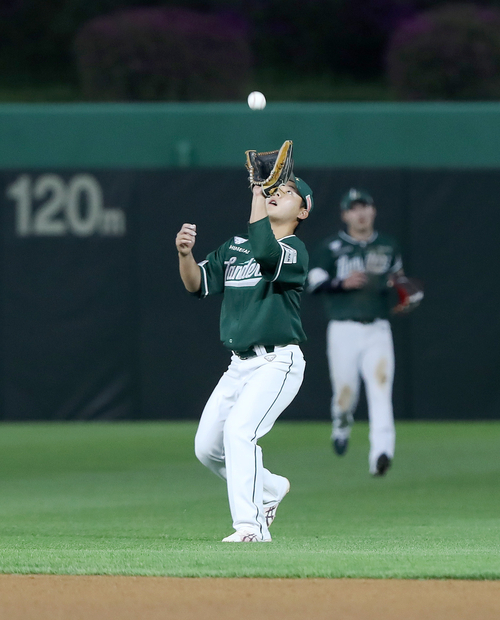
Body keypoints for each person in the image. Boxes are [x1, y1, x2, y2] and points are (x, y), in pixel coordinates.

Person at [175, 174, 314, 542]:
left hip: (277, 362)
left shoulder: (295, 250)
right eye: (273, 189)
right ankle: (270, 488)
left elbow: (267, 253)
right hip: (239, 365)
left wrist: (256, 193)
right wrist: (185, 255)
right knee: (207, 448)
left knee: (239, 432)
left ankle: (251, 527)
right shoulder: (234, 247)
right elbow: (197, 285)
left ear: (303, 210)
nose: (277, 194)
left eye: (287, 193)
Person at [307, 188, 406, 477]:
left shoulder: (387, 245)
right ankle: (341, 423)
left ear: (373, 210)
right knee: (345, 394)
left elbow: (398, 281)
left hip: (377, 328)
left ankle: (382, 453)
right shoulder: (332, 247)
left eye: (365, 206)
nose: (361, 213)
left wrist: (403, 296)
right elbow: (314, 282)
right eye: (354, 208)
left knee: (380, 389)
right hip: (343, 329)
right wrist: (341, 283)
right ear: (345, 215)